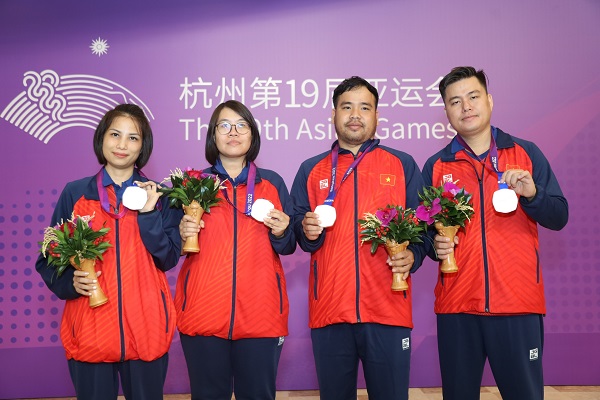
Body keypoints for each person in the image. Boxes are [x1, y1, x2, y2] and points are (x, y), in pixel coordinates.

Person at [424, 66, 569, 400]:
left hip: (517, 305)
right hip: (457, 307)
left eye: (473, 97)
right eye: (455, 101)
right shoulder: (437, 165)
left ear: (489, 100)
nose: (466, 107)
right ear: (446, 111)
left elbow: (559, 215)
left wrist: (533, 195)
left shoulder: (525, 153)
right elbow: (424, 235)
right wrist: (435, 245)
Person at [290, 76, 427, 400]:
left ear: (376, 115)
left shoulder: (402, 164)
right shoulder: (311, 169)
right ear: (333, 114)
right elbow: (297, 229)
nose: (355, 115)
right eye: (346, 107)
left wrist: (415, 255)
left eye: (364, 107)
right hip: (330, 311)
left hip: (389, 308)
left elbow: (424, 227)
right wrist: (306, 231)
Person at [35, 104, 183, 400]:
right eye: (115, 134)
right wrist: (70, 282)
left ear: (143, 146)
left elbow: (167, 258)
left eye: (133, 138)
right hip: (90, 328)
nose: (122, 145)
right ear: (101, 137)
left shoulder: (159, 195)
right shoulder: (76, 193)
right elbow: (48, 259)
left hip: (146, 328)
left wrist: (148, 214)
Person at [176, 100, 295, 400]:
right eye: (225, 125)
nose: (233, 132)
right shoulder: (191, 185)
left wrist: (282, 230)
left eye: (242, 125)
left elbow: (289, 245)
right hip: (202, 315)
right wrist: (180, 234)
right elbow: (168, 248)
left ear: (252, 135)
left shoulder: (272, 183)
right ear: (212, 134)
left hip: (261, 316)